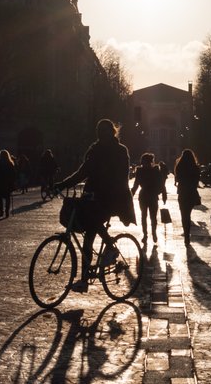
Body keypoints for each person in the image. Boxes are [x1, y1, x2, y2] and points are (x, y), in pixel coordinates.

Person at [55, 119, 136, 292]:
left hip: (113, 197)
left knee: (92, 224)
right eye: (99, 131)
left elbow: (122, 176)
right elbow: (83, 172)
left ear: (111, 132)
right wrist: (62, 184)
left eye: (105, 131)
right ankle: (85, 279)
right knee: (88, 236)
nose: (101, 134)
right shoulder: (94, 149)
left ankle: (110, 250)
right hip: (92, 196)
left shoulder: (120, 151)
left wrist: (108, 189)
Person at [131, 152, 167, 243]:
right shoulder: (155, 170)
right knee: (152, 217)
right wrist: (164, 195)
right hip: (153, 196)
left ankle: (146, 235)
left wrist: (131, 194)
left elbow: (136, 185)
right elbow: (161, 184)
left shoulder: (140, 171)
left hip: (143, 196)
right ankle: (152, 233)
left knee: (144, 216)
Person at [174, 149, 201, 246]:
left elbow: (177, 179)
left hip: (182, 193)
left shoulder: (179, 166)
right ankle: (187, 234)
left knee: (184, 215)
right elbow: (197, 181)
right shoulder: (195, 168)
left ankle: (186, 235)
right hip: (192, 193)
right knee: (188, 214)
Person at [0, 149, 17, 218]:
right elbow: (14, 174)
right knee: (7, 198)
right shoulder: (10, 163)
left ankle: (1, 212)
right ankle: (6, 212)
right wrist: (13, 181)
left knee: (0, 198)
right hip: (7, 183)